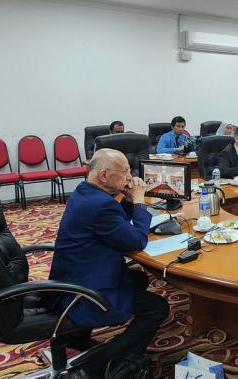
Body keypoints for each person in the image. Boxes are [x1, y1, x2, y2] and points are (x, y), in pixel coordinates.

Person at [49, 149, 170, 377]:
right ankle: (101, 363)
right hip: (84, 291)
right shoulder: (100, 206)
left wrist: (127, 197)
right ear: (104, 175)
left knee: (139, 278)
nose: (129, 177)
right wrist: (140, 201)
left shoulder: (85, 191)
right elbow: (136, 240)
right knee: (157, 307)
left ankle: (78, 335)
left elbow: (118, 220)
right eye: (125, 171)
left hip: (72, 275)